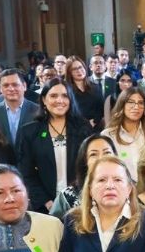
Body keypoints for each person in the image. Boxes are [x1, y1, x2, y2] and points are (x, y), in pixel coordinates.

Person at [17, 79, 93, 213]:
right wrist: (46, 202)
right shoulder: (29, 131)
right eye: (53, 96)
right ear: (44, 100)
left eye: (65, 96)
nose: (60, 100)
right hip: (45, 206)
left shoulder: (83, 128)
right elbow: (26, 172)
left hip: (80, 202)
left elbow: (89, 166)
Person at [49, 134, 117, 220]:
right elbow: (53, 228)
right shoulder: (67, 196)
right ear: (85, 161)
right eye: (93, 154)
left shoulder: (127, 189)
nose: (101, 158)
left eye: (107, 152)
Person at [101, 87, 145, 178]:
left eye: (140, 103)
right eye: (131, 102)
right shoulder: (108, 135)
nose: (136, 107)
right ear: (122, 104)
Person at [0, 69, 41, 146]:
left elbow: (43, 137)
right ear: (0, 89)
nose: (11, 89)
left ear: (24, 86)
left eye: (15, 84)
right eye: (6, 85)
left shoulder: (39, 111)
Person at [66, 56, 105, 128]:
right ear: (69, 72)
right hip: (76, 129)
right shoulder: (66, 90)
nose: (79, 71)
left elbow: (101, 109)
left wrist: (95, 121)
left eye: (80, 67)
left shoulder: (96, 87)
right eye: (74, 69)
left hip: (96, 128)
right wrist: (85, 123)